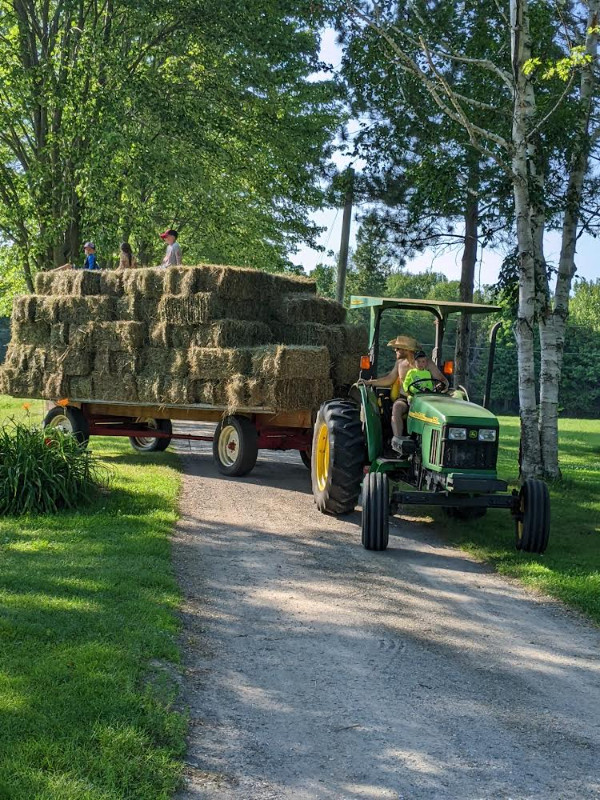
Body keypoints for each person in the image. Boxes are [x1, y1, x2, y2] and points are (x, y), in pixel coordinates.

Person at [361, 335, 447, 437]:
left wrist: (440, 386)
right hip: (405, 399)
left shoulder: (427, 363)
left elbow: (442, 380)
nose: (395, 350)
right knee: (397, 407)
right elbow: (389, 379)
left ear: (407, 350)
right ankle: (398, 440)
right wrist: (369, 382)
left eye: (397, 348)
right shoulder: (399, 363)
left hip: (425, 399)